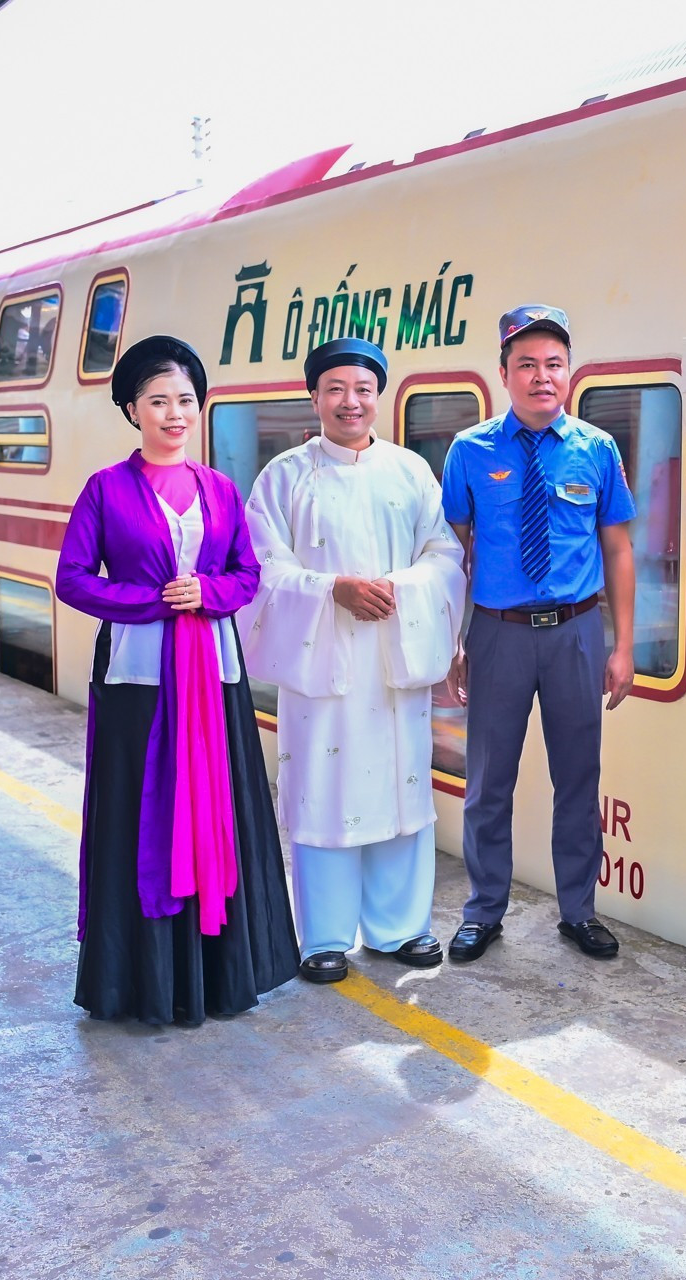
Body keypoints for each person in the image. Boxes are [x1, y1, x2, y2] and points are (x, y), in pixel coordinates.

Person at [55, 335, 298, 1025]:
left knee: (221, 816)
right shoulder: (105, 490)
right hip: (138, 682)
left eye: (185, 400)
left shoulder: (221, 490)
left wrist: (208, 593)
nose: (174, 414)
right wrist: (154, 599)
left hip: (214, 682)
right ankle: (144, 982)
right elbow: (72, 579)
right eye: (158, 401)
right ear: (132, 409)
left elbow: (247, 577)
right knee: (142, 821)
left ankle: (221, 978)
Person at [237, 338, 466, 982]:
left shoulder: (411, 472)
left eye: (363, 388)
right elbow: (261, 567)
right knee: (324, 794)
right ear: (315, 397)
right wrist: (331, 590)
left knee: (401, 790)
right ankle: (326, 937)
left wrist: (404, 588)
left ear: (379, 396)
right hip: (322, 664)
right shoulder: (283, 476)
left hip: (395, 655)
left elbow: (443, 555)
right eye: (335, 388)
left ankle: (402, 929)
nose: (350, 401)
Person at [440, 305, 638, 962]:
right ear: (503, 374)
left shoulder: (597, 449)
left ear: (568, 372)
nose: (541, 376)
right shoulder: (469, 453)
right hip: (499, 635)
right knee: (488, 781)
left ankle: (578, 912)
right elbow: (454, 554)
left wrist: (624, 646)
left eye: (553, 363)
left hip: (576, 635)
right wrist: (458, 639)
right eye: (526, 364)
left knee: (578, 779)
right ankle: (482, 910)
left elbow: (618, 550)